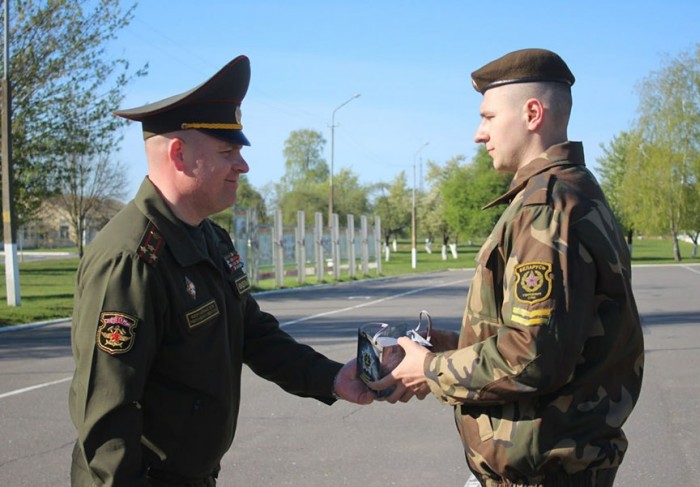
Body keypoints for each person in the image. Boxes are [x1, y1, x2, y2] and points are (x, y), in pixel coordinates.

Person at [68, 55, 373, 487]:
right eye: (227, 152)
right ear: (178, 155)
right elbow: (107, 410)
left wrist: (332, 378)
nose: (242, 166)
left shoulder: (209, 238)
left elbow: (253, 333)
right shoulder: (131, 259)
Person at [370, 48, 645, 486]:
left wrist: (430, 370)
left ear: (532, 114)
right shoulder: (569, 191)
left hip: (542, 474)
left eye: (488, 117)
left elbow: (532, 356)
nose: (479, 134)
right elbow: (554, 334)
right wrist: (452, 348)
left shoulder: (545, 207)